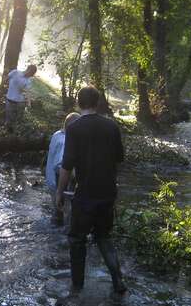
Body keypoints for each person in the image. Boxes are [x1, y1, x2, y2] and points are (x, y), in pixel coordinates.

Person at [56, 86, 126, 295]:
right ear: (97, 104)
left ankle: (77, 287)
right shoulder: (112, 127)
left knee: (77, 239)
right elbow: (119, 159)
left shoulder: (75, 128)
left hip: (84, 194)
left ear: (79, 103)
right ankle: (118, 280)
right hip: (107, 193)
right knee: (104, 237)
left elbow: (66, 166)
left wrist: (60, 192)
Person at [45, 112, 80, 224]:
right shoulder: (66, 141)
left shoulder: (57, 134)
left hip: (51, 181)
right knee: (64, 217)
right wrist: (77, 177)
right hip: (60, 185)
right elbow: (60, 167)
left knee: (58, 213)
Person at [5, 65, 37, 132]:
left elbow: (28, 93)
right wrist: (2, 87)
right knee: (9, 118)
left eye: (32, 74)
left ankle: (15, 134)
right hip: (9, 100)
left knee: (18, 120)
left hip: (20, 103)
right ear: (28, 69)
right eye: (31, 73)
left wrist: (29, 103)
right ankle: (8, 133)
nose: (31, 75)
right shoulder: (15, 72)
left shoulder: (28, 81)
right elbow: (6, 79)